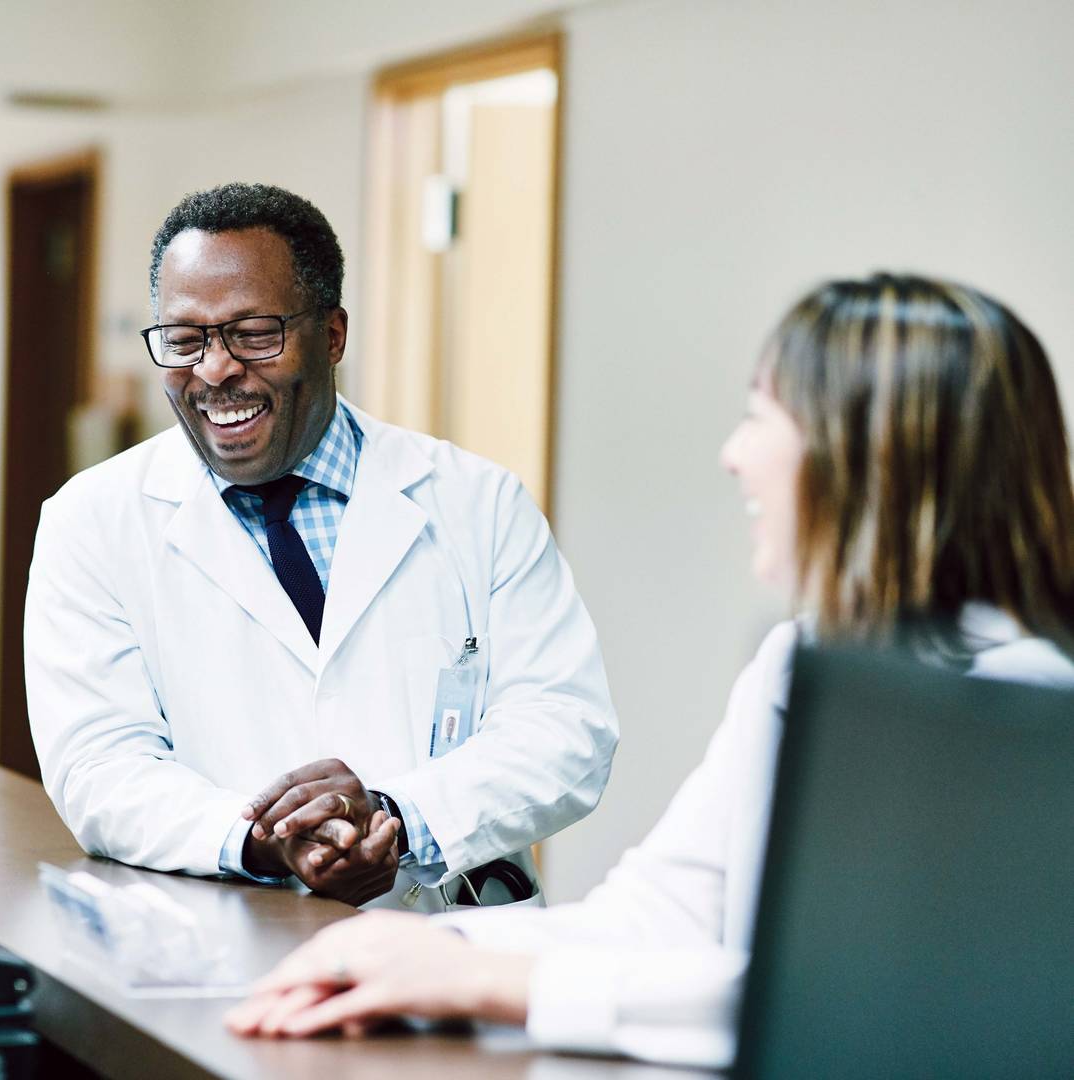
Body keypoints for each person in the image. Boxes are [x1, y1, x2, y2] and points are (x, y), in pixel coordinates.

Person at [225, 273, 1074, 1063]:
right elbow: (663, 913)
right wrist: (415, 947)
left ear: (872, 453)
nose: (734, 454)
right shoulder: (804, 663)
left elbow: (867, 998)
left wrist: (496, 981)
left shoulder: (1026, 710)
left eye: (764, 415)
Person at [24, 183, 617, 909]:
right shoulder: (91, 522)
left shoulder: (476, 503)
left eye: (253, 333)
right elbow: (99, 765)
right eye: (185, 339)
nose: (214, 370)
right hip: (231, 948)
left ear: (332, 334)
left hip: (450, 947)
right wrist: (261, 839)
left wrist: (395, 818)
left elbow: (566, 732)